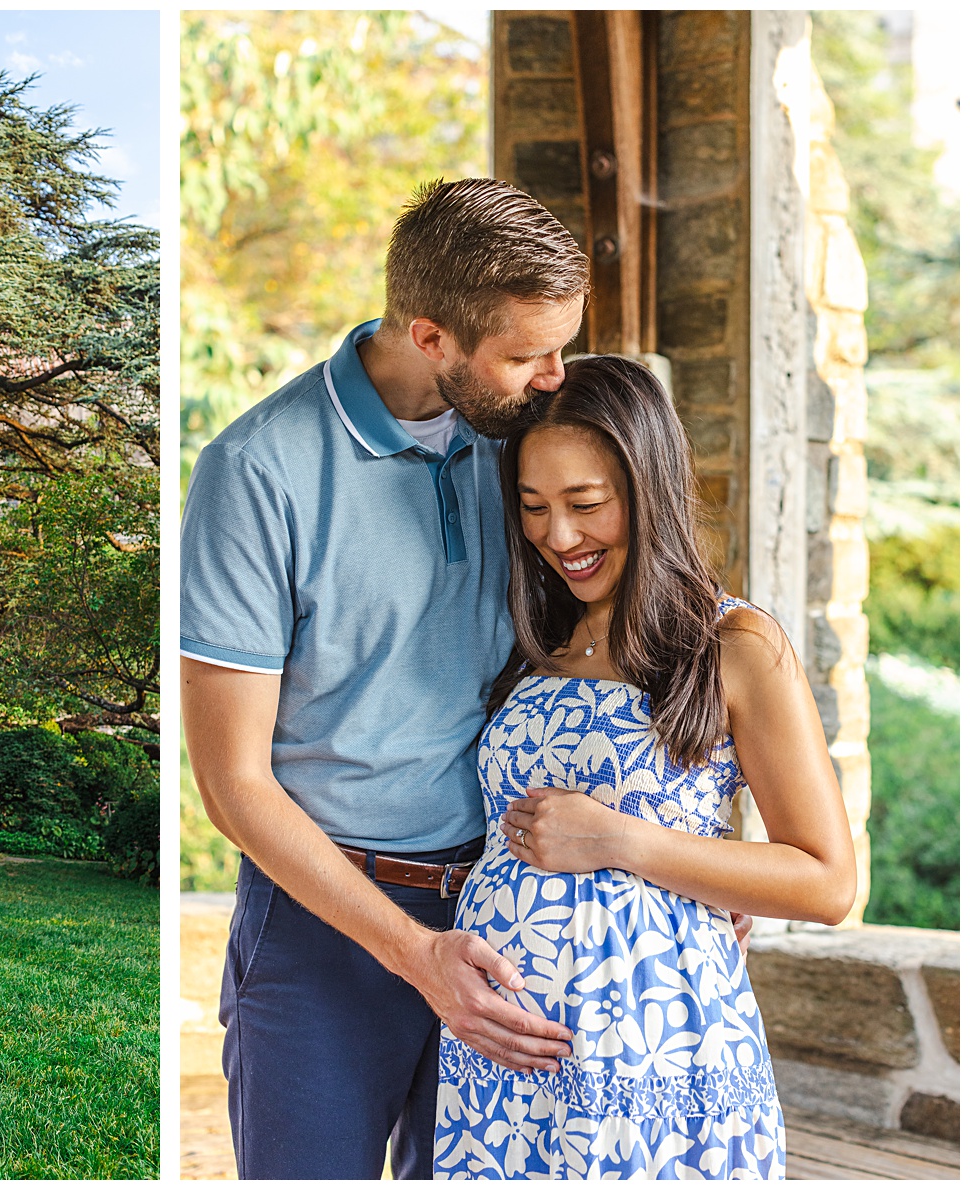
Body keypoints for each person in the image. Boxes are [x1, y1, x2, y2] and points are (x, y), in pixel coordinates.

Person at [180, 178, 590, 1180]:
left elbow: (639, 621)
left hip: (511, 906)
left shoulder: (528, 446)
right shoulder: (257, 471)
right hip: (324, 926)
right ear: (432, 336)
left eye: (562, 345)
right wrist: (414, 953)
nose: (554, 375)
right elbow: (233, 784)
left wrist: (692, 839)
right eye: (527, 353)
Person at [431, 355, 854, 1178]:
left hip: (657, 1051)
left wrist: (622, 841)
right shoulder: (534, 646)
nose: (559, 536)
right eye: (534, 506)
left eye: (587, 504)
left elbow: (828, 881)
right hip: (505, 1057)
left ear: (649, 489)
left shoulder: (735, 647)